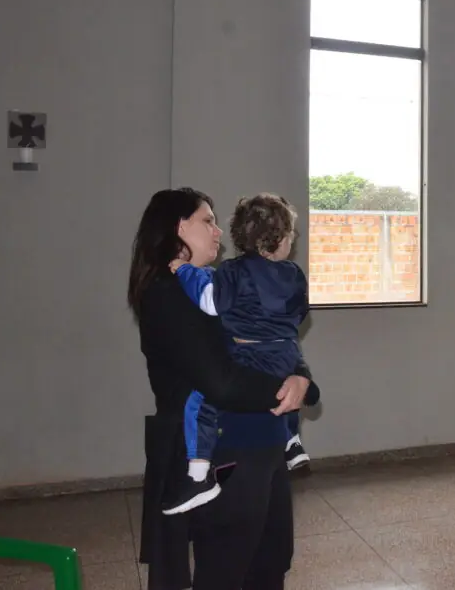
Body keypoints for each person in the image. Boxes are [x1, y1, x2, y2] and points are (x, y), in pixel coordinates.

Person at [128, 187, 320, 590]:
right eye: (207, 221)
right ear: (179, 227)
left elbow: (274, 338)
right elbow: (221, 383)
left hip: (262, 442)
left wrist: (300, 376)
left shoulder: (221, 283)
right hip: (224, 450)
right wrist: (294, 390)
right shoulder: (168, 294)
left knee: (269, 562)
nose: (218, 232)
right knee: (226, 567)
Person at [162, 193, 314, 516]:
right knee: (287, 390)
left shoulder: (233, 271)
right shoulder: (294, 274)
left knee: (200, 403)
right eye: (291, 235)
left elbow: (209, 302)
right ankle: (293, 442)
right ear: (279, 239)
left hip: (249, 357)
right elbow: (301, 314)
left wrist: (185, 270)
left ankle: (198, 475)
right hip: (286, 350)